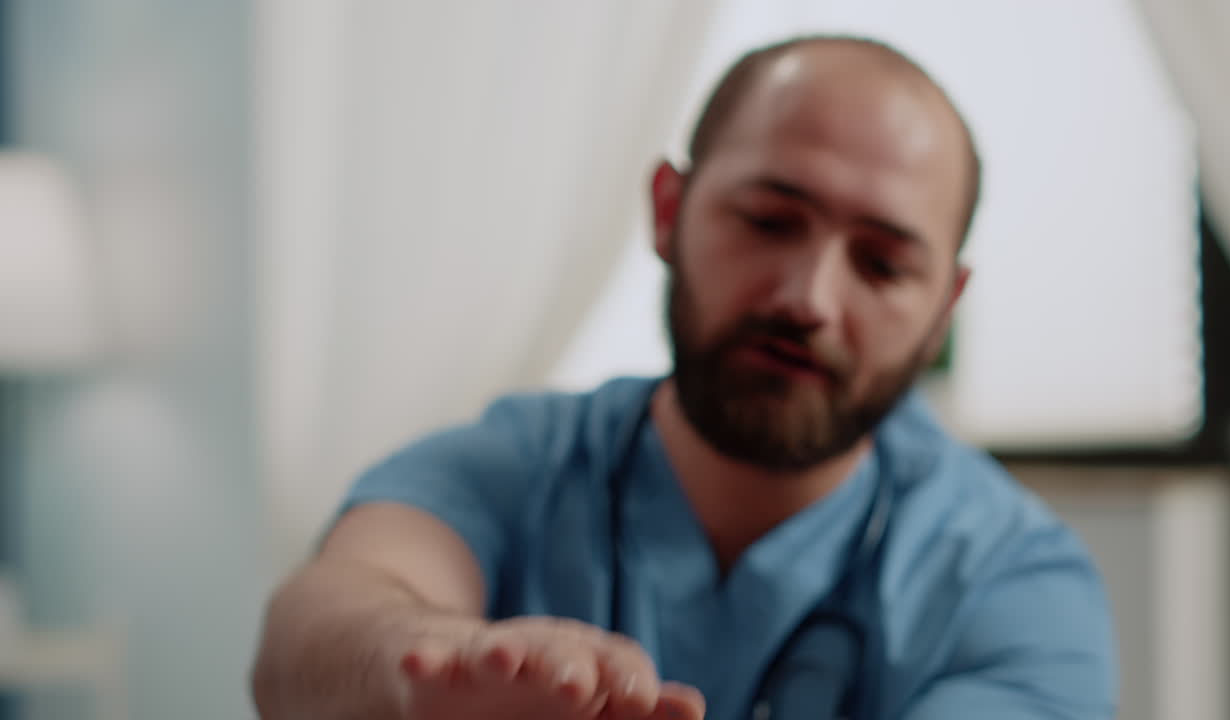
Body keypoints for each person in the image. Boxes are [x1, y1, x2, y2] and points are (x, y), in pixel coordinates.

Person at [251, 34, 1116, 720]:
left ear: (943, 311)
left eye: (883, 266)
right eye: (770, 220)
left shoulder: (1015, 582)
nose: (808, 298)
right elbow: (313, 637)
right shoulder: (511, 467)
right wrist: (434, 669)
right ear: (669, 210)